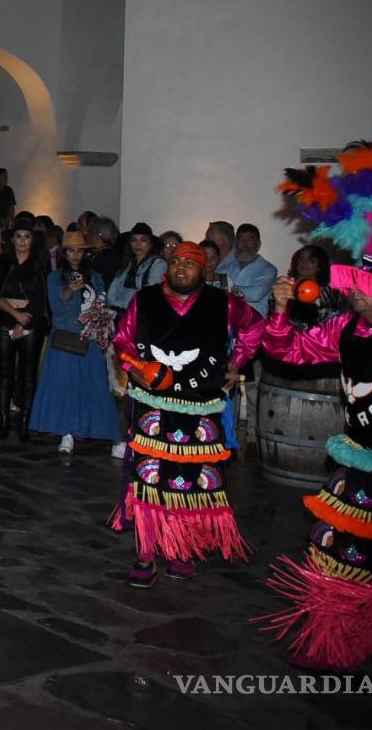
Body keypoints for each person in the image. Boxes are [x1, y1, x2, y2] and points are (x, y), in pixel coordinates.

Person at [239, 145, 372, 676]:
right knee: (334, 549)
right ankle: (338, 637)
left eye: (360, 288)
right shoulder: (347, 327)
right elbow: (288, 352)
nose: (349, 295)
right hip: (353, 460)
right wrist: (280, 312)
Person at [109, 241, 266, 587]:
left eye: (190, 263)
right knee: (150, 479)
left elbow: (255, 327)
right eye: (176, 261)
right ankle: (146, 552)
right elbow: (122, 340)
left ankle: (182, 548)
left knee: (193, 481)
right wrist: (133, 368)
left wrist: (237, 363)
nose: (181, 268)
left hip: (201, 405)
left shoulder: (222, 303)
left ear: (205, 270)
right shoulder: (145, 299)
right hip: (153, 403)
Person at [30, 230, 123, 453]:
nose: (75, 255)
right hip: (66, 338)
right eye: (71, 251)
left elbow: (102, 301)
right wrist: (69, 292)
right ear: (64, 253)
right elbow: (55, 308)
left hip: (90, 339)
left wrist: (100, 316)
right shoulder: (55, 277)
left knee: (96, 387)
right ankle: (67, 433)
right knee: (64, 388)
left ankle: (109, 435)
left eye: (79, 251)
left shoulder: (95, 276)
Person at [0, 216, 50, 441]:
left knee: (28, 373)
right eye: (19, 236)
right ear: (12, 239)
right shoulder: (1, 262)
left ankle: (25, 422)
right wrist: (15, 316)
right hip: (5, 318)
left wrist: (23, 321)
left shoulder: (40, 262)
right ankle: (4, 421)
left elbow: (42, 296)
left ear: (32, 240)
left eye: (27, 237)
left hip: (32, 321)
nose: (23, 241)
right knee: (5, 372)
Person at [216, 222, 278, 316]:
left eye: (250, 239)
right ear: (235, 243)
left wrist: (229, 288)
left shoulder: (268, 269)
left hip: (254, 326)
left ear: (258, 244)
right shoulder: (225, 267)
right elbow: (214, 291)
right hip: (224, 322)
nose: (244, 243)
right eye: (241, 238)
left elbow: (255, 294)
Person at [106, 222, 167, 316]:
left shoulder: (158, 264)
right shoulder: (127, 264)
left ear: (150, 244)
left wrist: (122, 304)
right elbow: (110, 296)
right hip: (121, 316)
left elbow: (148, 297)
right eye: (134, 240)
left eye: (143, 240)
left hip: (143, 317)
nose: (138, 244)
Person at [284, 243, 345, 330]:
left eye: (311, 261)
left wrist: (325, 305)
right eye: (301, 259)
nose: (304, 263)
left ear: (319, 267)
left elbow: (334, 322)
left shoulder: (326, 291)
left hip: (312, 339)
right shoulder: (287, 284)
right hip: (283, 336)